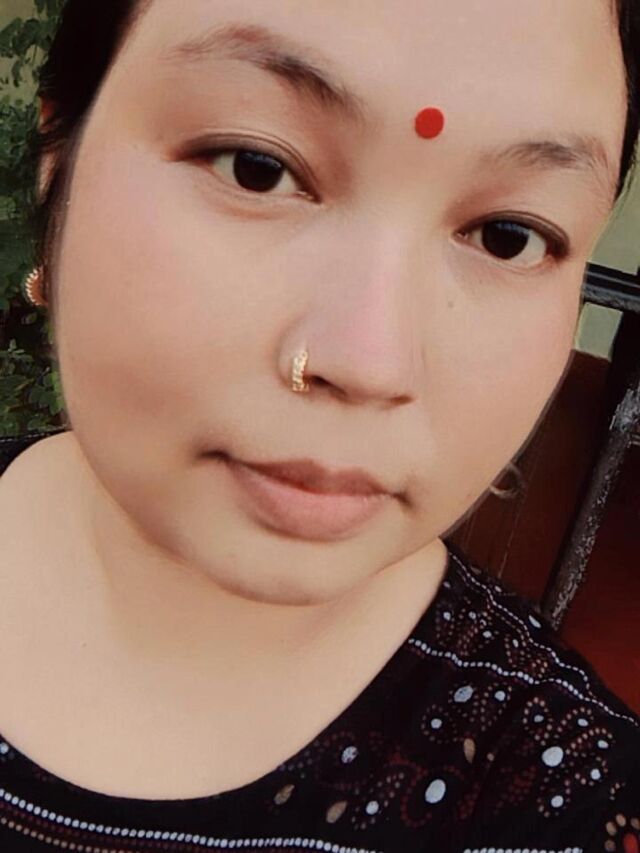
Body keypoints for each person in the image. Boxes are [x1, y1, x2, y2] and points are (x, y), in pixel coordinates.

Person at [0, 0, 638, 849]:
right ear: (58, 157)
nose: (370, 364)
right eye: (256, 167)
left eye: (508, 236)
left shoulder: (571, 804)